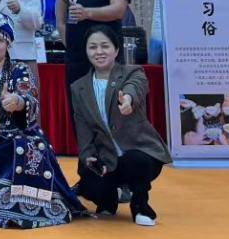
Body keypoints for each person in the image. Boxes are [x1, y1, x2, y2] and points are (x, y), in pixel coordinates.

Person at [0, 12, 83, 229]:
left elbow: (31, 100)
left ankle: (22, 205)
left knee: (29, 149)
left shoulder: (19, 71)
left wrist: (18, 101)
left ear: (8, 43)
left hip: (13, 139)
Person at [70, 25, 171, 227]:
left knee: (135, 161)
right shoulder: (78, 87)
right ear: (86, 51)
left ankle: (140, 205)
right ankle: (108, 199)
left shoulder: (132, 72)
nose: (99, 52)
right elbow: (83, 127)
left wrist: (128, 100)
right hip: (108, 158)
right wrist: (88, 155)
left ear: (116, 50)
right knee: (87, 177)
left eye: (105, 46)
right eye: (93, 47)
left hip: (141, 151)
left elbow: (135, 87)